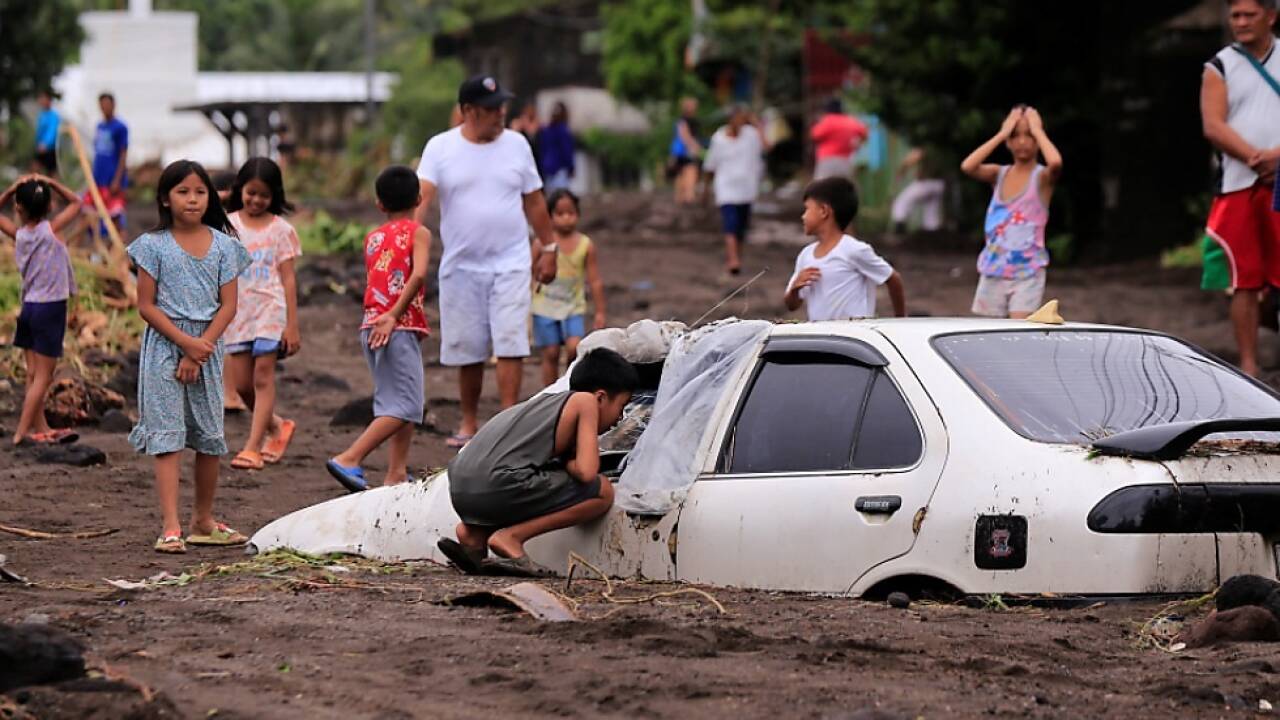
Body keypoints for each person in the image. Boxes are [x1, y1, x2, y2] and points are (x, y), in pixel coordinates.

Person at [414, 74, 558, 449]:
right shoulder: (440, 148)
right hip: (461, 265)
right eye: (491, 109)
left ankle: (508, 421)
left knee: (511, 340)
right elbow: (422, 199)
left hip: (511, 261)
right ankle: (470, 422)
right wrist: (405, 243)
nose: (500, 115)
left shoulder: (517, 145)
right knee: (468, 346)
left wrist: (550, 248)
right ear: (467, 111)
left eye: (501, 107)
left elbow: (535, 200)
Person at [127, 160, 251, 554]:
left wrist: (199, 350)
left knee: (209, 437)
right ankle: (170, 526)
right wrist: (185, 344)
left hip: (208, 349)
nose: (193, 199)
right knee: (168, 438)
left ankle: (203, 520)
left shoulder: (225, 246)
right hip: (165, 347)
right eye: (183, 192)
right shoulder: (152, 246)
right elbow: (146, 305)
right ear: (165, 198)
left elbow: (228, 306)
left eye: (200, 192)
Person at [437, 348, 636, 577]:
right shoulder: (586, 402)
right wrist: (571, 465)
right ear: (601, 397)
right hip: (496, 482)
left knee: (532, 480)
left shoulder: (545, 405)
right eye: (621, 407)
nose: (620, 419)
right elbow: (587, 472)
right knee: (603, 492)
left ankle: (474, 536)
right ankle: (511, 538)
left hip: (460, 487)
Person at [327, 166, 430, 493]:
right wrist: (395, 316)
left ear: (379, 204)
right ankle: (349, 458)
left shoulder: (372, 238)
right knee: (408, 405)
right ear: (419, 198)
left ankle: (396, 472)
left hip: (371, 326)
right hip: (395, 325)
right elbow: (419, 275)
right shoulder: (419, 232)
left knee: (394, 402)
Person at [1201, 0, 1280, 376]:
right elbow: (1213, 126)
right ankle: (1249, 365)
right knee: (1242, 278)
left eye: (1250, 14)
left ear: (1271, 15)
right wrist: (1257, 158)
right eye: (1235, 15)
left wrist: (1277, 156)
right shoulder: (1219, 66)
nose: (1242, 22)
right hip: (1238, 184)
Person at [222, 158, 302, 470]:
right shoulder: (228, 226)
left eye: (264, 196)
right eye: (250, 193)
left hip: (271, 309)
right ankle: (277, 426)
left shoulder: (282, 230)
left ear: (275, 196)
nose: (256, 201)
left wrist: (292, 325)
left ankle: (253, 448)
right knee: (242, 386)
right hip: (239, 313)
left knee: (262, 377)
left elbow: (289, 279)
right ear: (240, 189)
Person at [0, 174, 82, 445]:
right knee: (43, 377)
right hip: (50, 310)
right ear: (49, 208)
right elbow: (77, 202)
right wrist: (51, 181)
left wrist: (12, 188)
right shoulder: (51, 231)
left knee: (33, 374)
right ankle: (21, 433)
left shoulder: (20, 235)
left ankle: (39, 426)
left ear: (18, 208)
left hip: (29, 308)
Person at [960, 105, 1063, 319]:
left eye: (1029, 136)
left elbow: (1055, 162)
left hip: (1028, 273)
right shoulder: (999, 174)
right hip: (993, 270)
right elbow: (968, 166)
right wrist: (1001, 133)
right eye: (1016, 136)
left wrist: (1038, 130)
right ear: (1008, 141)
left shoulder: (1042, 178)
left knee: (1019, 330)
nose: (1023, 141)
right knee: (990, 335)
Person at [785, 177, 906, 320]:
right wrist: (795, 289)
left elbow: (893, 279)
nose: (803, 216)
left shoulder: (854, 250)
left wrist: (900, 320)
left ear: (824, 211)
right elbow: (791, 305)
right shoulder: (806, 255)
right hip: (821, 338)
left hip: (854, 337)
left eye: (807, 209)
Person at [532, 189, 606, 387]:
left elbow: (595, 280)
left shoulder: (585, 245)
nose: (566, 219)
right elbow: (530, 274)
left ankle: (568, 385)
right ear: (550, 216)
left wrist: (599, 311)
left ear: (578, 214)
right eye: (560, 214)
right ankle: (549, 393)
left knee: (575, 347)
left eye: (571, 213)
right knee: (551, 352)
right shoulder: (541, 245)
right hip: (544, 306)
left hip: (573, 306)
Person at [703, 104, 770, 275]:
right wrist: (706, 188)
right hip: (726, 188)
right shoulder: (719, 138)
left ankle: (736, 258)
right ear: (730, 119)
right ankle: (733, 259)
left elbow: (767, 146)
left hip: (747, 189)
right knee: (730, 224)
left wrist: (757, 124)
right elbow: (711, 165)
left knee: (741, 227)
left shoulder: (751, 135)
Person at [90, 92, 129, 226]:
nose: (104, 107)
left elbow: (123, 154)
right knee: (91, 212)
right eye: (102, 105)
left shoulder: (120, 127)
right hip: (99, 178)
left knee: (115, 215)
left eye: (107, 104)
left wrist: (117, 180)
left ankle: (120, 244)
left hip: (112, 178)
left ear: (113, 105)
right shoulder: (99, 126)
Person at [810, 98, 868, 181]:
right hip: (846, 161)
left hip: (827, 160)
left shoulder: (827, 120)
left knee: (821, 188)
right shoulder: (850, 121)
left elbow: (815, 135)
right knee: (843, 188)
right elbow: (864, 133)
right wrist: (857, 145)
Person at [890, 148, 946, 233]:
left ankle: (899, 228)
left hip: (925, 183)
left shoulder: (926, 146)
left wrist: (901, 171)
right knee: (931, 215)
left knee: (901, 201)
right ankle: (932, 234)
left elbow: (911, 159)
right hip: (940, 184)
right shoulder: (940, 148)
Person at [669, 97, 703, 205]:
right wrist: (695, 146)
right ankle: (689, 196)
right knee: (690, 170)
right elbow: (684, 135)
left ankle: (680, 196)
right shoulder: (685, 121)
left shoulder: (682, 120)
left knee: (681, 173)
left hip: (679, 151)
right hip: (687, 150)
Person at [537, 102, 575, 191]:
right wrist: (571, 167)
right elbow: (567, 151)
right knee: (560, 196)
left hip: (547, 168)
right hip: (559, 169)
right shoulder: (563, 131)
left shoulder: (546, 130)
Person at [33, 91, 60, 176]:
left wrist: (45, 144)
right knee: (35, 170)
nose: (42, 101)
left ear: (49, 100)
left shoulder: (54, 115)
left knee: (51, 174)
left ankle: (54, 188)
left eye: (44, 99)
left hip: (49, 149)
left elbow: (52, 132)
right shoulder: (42, 115)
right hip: (40, 148)